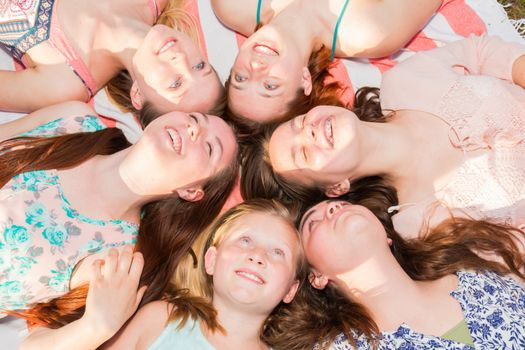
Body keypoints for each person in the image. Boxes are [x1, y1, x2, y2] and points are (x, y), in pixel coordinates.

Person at [0, 102, 239, 348]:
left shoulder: (119, 259)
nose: (192, 130)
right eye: (194, 117)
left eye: (209, 148)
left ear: (191, 191)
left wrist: (96, 327)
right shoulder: (74, 119)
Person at [245, 34, 525, 238]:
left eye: (300, 123)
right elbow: (511, 252)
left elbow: (480, 52)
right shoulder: (418, 222)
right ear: (335, 188)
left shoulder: (404, 81)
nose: (310, 131)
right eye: (303, 152)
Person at [271, 184, 525, 349]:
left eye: (342, 205)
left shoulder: (476, 276)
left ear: (387, 235)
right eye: (312, 224)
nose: (334, 209)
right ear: (316, 277)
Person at [104, 199, 307, 350]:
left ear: (290, 290)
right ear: (211, 260)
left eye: (278, 252)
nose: (257, 255)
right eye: (245, 240)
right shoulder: (160, 319)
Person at [212, 0, 443, 129]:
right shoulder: (371, 32)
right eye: (270, 85)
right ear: (304, 80)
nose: (255, 68)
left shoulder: (233, 5)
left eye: (240, 79)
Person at [0, 0, 224, 115]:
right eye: (199, 65)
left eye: (175, 84)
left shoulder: (65, 81)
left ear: (138, 95)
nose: (182, 62)